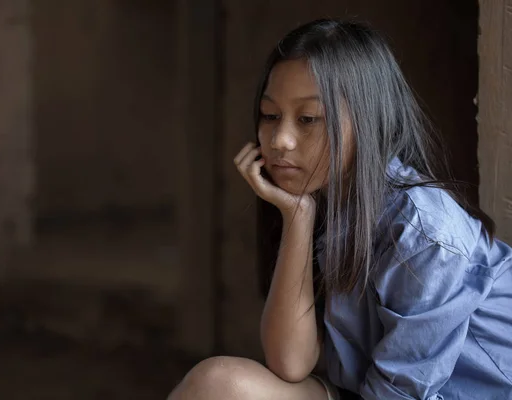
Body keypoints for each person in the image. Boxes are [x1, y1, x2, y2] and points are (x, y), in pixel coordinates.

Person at [168, 19, 512, 400]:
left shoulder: (424, 233)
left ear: (367, 121)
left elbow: (400, 395)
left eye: (308, 119)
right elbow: (289, 362)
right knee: (217, 384)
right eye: (270, 115)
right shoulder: (325, 201)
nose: (280, 140)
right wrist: (297, 219)